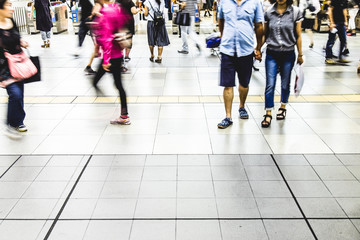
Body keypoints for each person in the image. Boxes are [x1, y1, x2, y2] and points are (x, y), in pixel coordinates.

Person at [216, 0, 264, 129]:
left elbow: (259, 26)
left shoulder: (255, 2)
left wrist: (258, 47)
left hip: (246, 49)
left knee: (244, 83)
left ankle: (242, 106)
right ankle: (228, 116)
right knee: (228, 84)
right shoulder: (224, 2)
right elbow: (221, 21)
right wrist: (223, 37)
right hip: (227, 49)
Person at [260, 0, 303, 128]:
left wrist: (300, 54)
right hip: (272, 53)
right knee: (270, 83)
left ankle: (283, 106)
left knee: (285, 83)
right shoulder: (268, 12)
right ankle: (268, 112)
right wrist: (257, 48)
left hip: (288, 53)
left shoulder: (295, 12)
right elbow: (265, 33)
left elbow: (298, 35)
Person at [92, 0, 131, 124]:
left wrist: (106, 60)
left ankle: (119, 113)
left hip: (110, 57)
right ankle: (124, 115)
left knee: (96, 82)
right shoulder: (116, 8)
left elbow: (107, 37)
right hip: (118, 54)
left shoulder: (105, 13)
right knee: (118, 85)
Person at [0, 0, 29, 132]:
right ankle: (10, 122)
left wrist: (21, 42)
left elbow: (17, 37)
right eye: (8, 5)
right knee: (15, 94)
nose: (11, 9)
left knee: (20, 94)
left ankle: (19, 122)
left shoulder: (12, 22)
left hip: (18, 63)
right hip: (4, 66)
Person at [74, 0, 98, 75]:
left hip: (88, 20)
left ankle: (89, 65)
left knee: (96, 43)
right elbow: (93, 9)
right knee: (97, 42)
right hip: (89, 20)